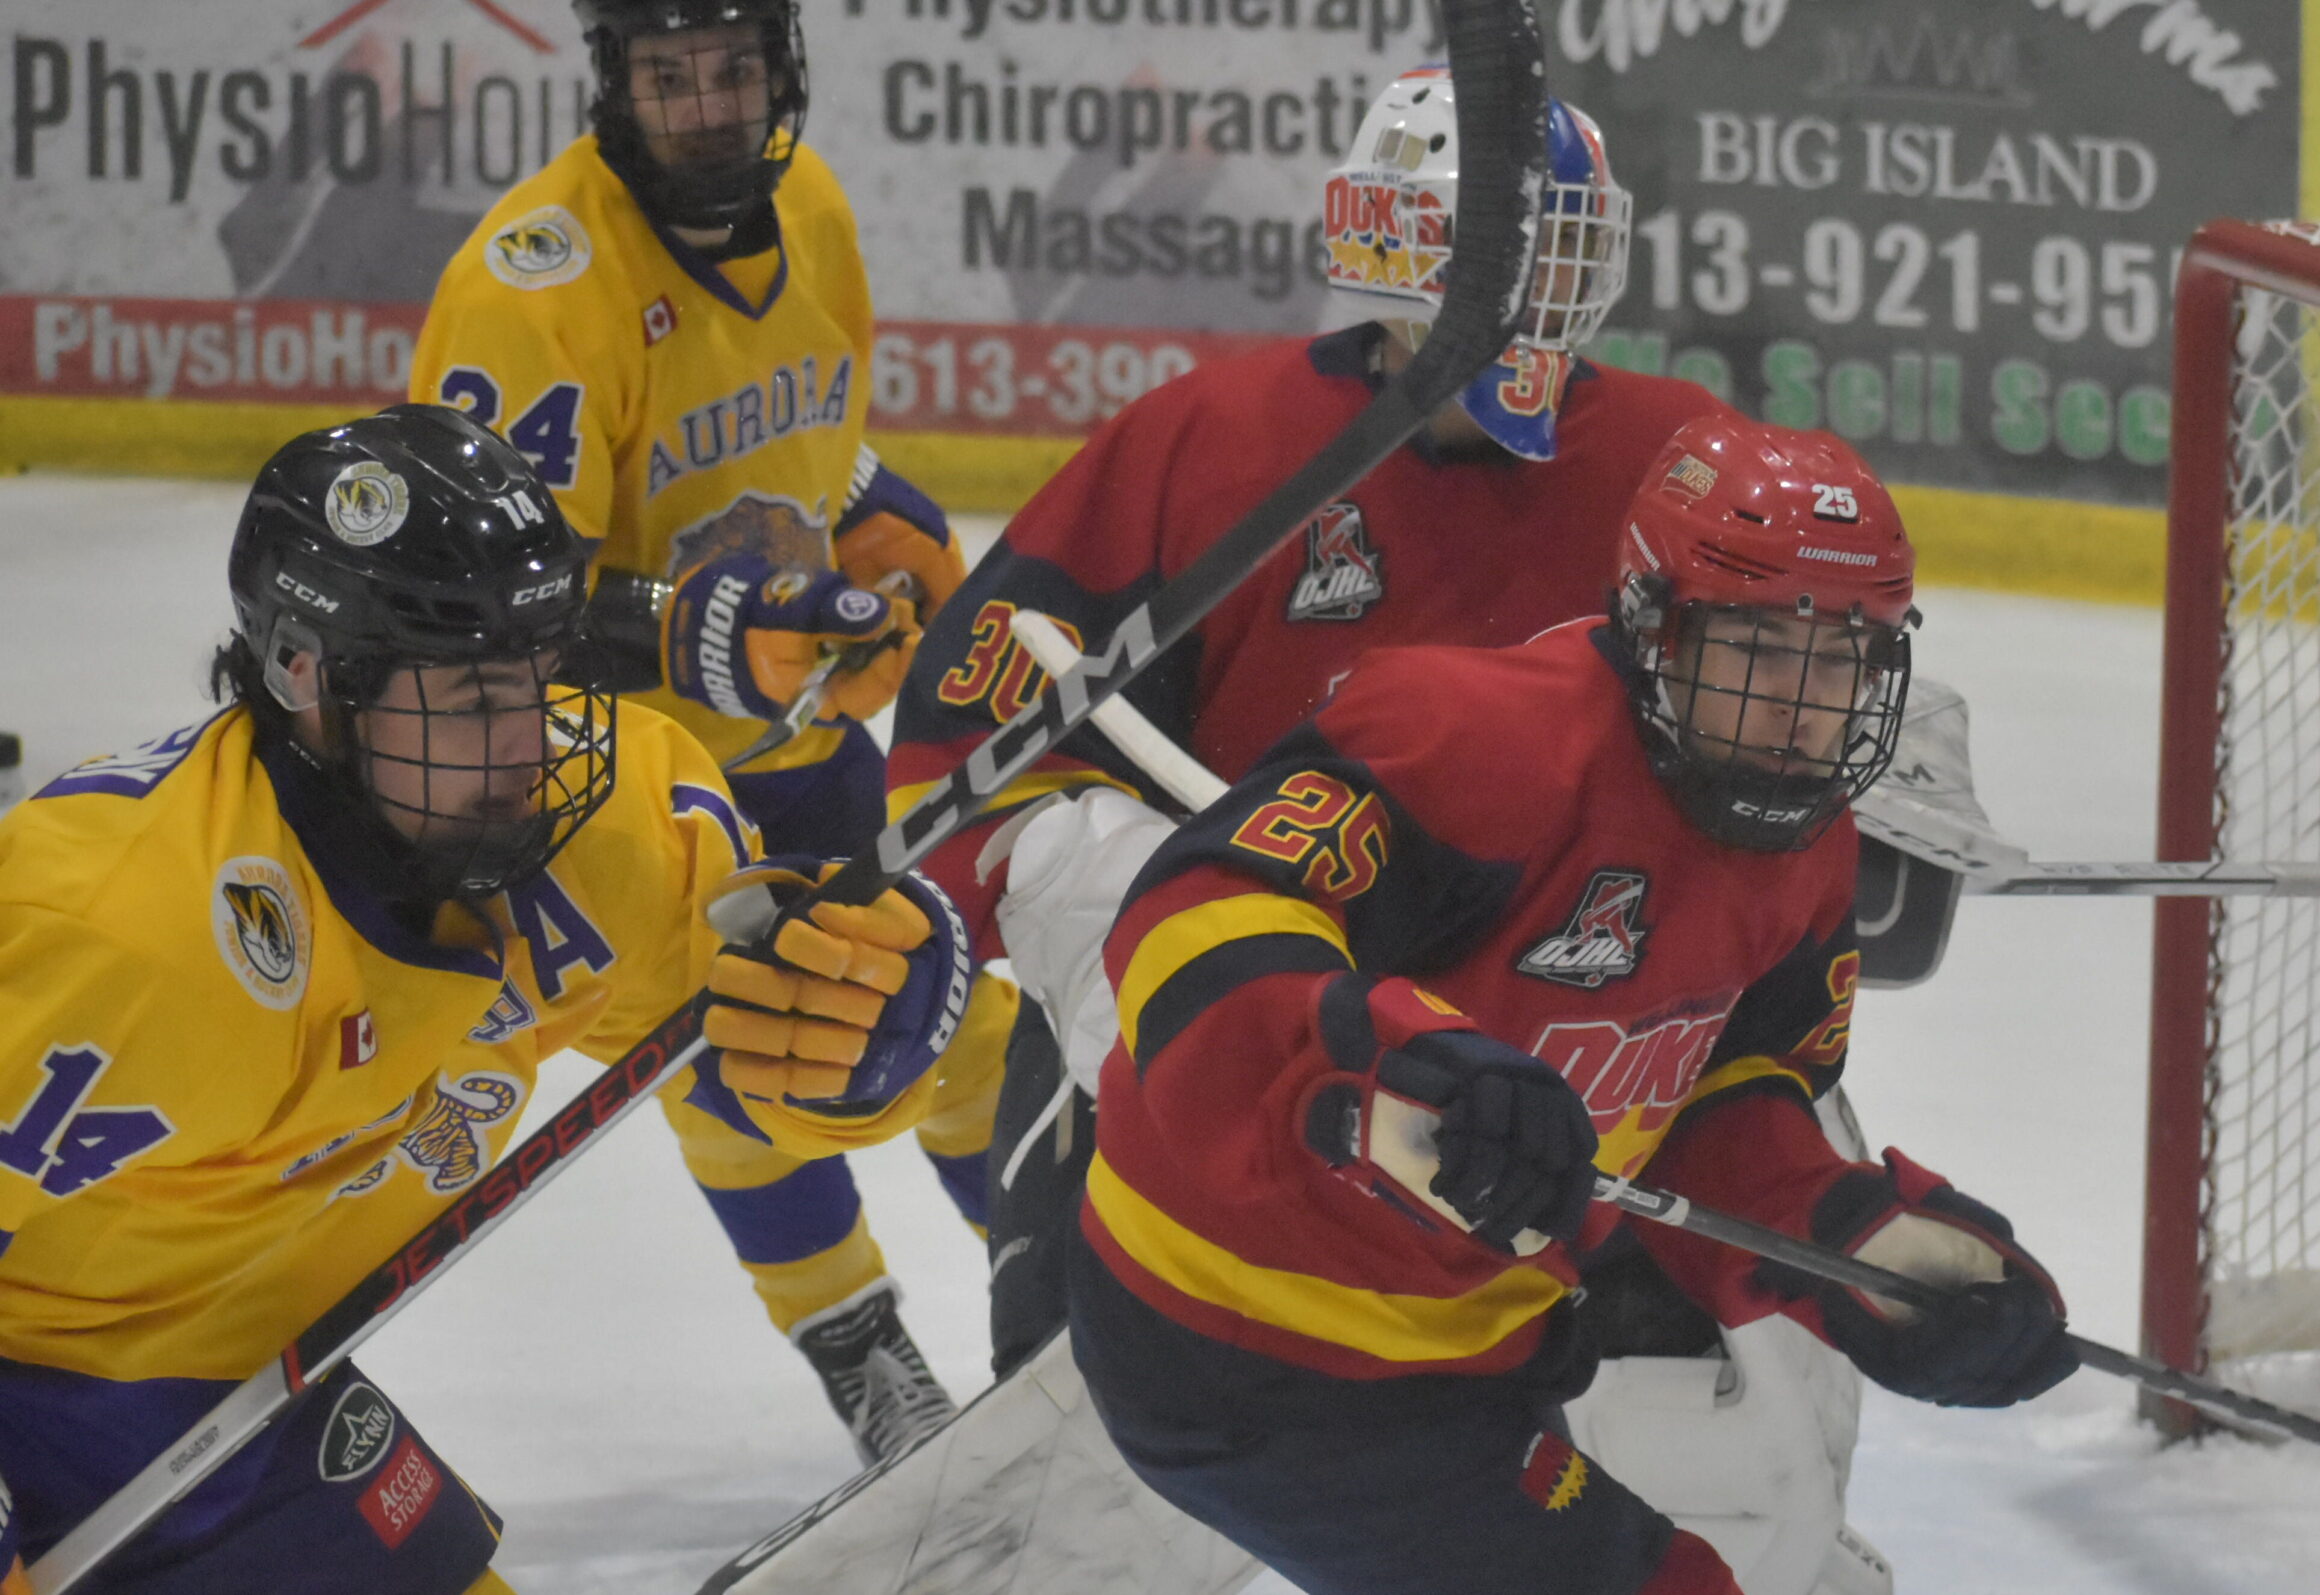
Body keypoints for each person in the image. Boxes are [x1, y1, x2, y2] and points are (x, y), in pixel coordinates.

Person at [1065, 414, 2081, 1595]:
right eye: (1756, 648)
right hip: (1241, 1346)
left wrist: (1874, 1248)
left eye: (1844, 656)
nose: (1802, 708)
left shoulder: (1807, 844)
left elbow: (1722, 1099)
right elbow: (1191, 908)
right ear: (1654, 625)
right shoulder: (1476, 739)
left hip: (1471, 1353)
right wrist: (1403, 1065)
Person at [0, 407, 967, 1595]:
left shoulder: (603, 836)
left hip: (248, 1403)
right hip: (38, 1392)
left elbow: (759, 1063)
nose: (525, 745)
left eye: (532, 680)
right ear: (310, 679)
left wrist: (872, 1036)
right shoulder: (117, 933)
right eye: (466, 700)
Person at [888, 63, 1719, 1372]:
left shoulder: (1676, 462)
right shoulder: (1214, 443)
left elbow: (1788, 714)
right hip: (1239, 1022)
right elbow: (975, 724)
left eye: (1564, 246)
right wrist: (1007, 912)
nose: (1543, 286)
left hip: (1551, 1061)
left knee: (1674, 1417)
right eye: (1508, 247)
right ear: (1398, 246)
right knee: (1081, 1419)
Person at [408, 0, 1008, 1461]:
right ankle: (860, 1346)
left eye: (732, 68)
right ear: (614, 82)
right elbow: (454, 602)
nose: (704, 107)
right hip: (603, 791)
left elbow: (798, 428)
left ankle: (1089, 1285)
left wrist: (873, 507)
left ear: (781, 69)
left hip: (800, 744)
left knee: (970, 1017)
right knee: (759, 1060)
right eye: (666, 77)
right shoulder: (528, 289)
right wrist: (688, 632)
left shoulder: (811, 204)